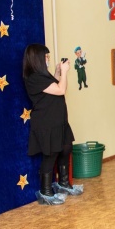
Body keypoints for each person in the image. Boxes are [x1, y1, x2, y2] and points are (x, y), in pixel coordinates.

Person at [23, 44, 83, 205]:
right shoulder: (33, 77)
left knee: (66, 148)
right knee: (51, 155)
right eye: (46, 57)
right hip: (47, 122)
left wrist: (57, 73)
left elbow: (55, 86)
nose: (48, 59)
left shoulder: (43, 76)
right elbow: (60, 90)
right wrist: (64, 72)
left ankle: (63, 184)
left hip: (59, 120)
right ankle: (46, 192)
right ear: (37, 59)